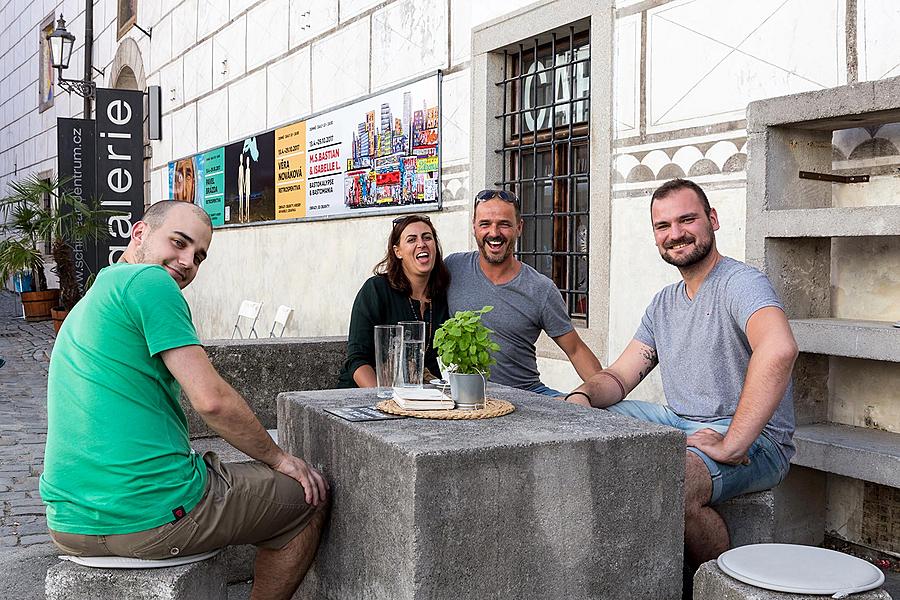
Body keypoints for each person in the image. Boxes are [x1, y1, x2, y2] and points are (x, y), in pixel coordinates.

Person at [40, 201, 329, 600]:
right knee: (307, 498)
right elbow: (212, 401)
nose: (187, 261)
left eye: (199, 256)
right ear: (139, 233)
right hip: (150, 515)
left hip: (68, 523)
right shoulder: (150, 282)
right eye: (178, 242)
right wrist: (280, 459)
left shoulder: (95, 295)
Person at [564, 178, 798, 568]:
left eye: (687, 219)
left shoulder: (742, 283)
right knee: (577, 419)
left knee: (673, 479)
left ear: (713, 220)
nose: (675, 234)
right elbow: (620, 378)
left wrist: (733, 444)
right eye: (663, 226)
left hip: (754, 439)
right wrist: (581, 399)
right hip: (680, 422)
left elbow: (779, 348)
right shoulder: (664, 303)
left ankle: (714, 587)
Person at [445, 190, 602, 396]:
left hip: (528, 395)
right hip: (466, 394)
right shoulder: (452, 268)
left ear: (519, 228)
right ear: (474, 227)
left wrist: (605, 394)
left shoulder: (540, 288)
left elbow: (575, 349)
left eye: (504, 224)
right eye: (485, 224)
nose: (494, 233)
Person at [337, 214, 451, 388]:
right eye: (411, 239)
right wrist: (384, 398)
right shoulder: (376, 290)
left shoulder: (443, 295)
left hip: (422, 397)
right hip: (365, 395)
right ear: (398, 251)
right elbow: (357, 360)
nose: (421, 243)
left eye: (427, 237)